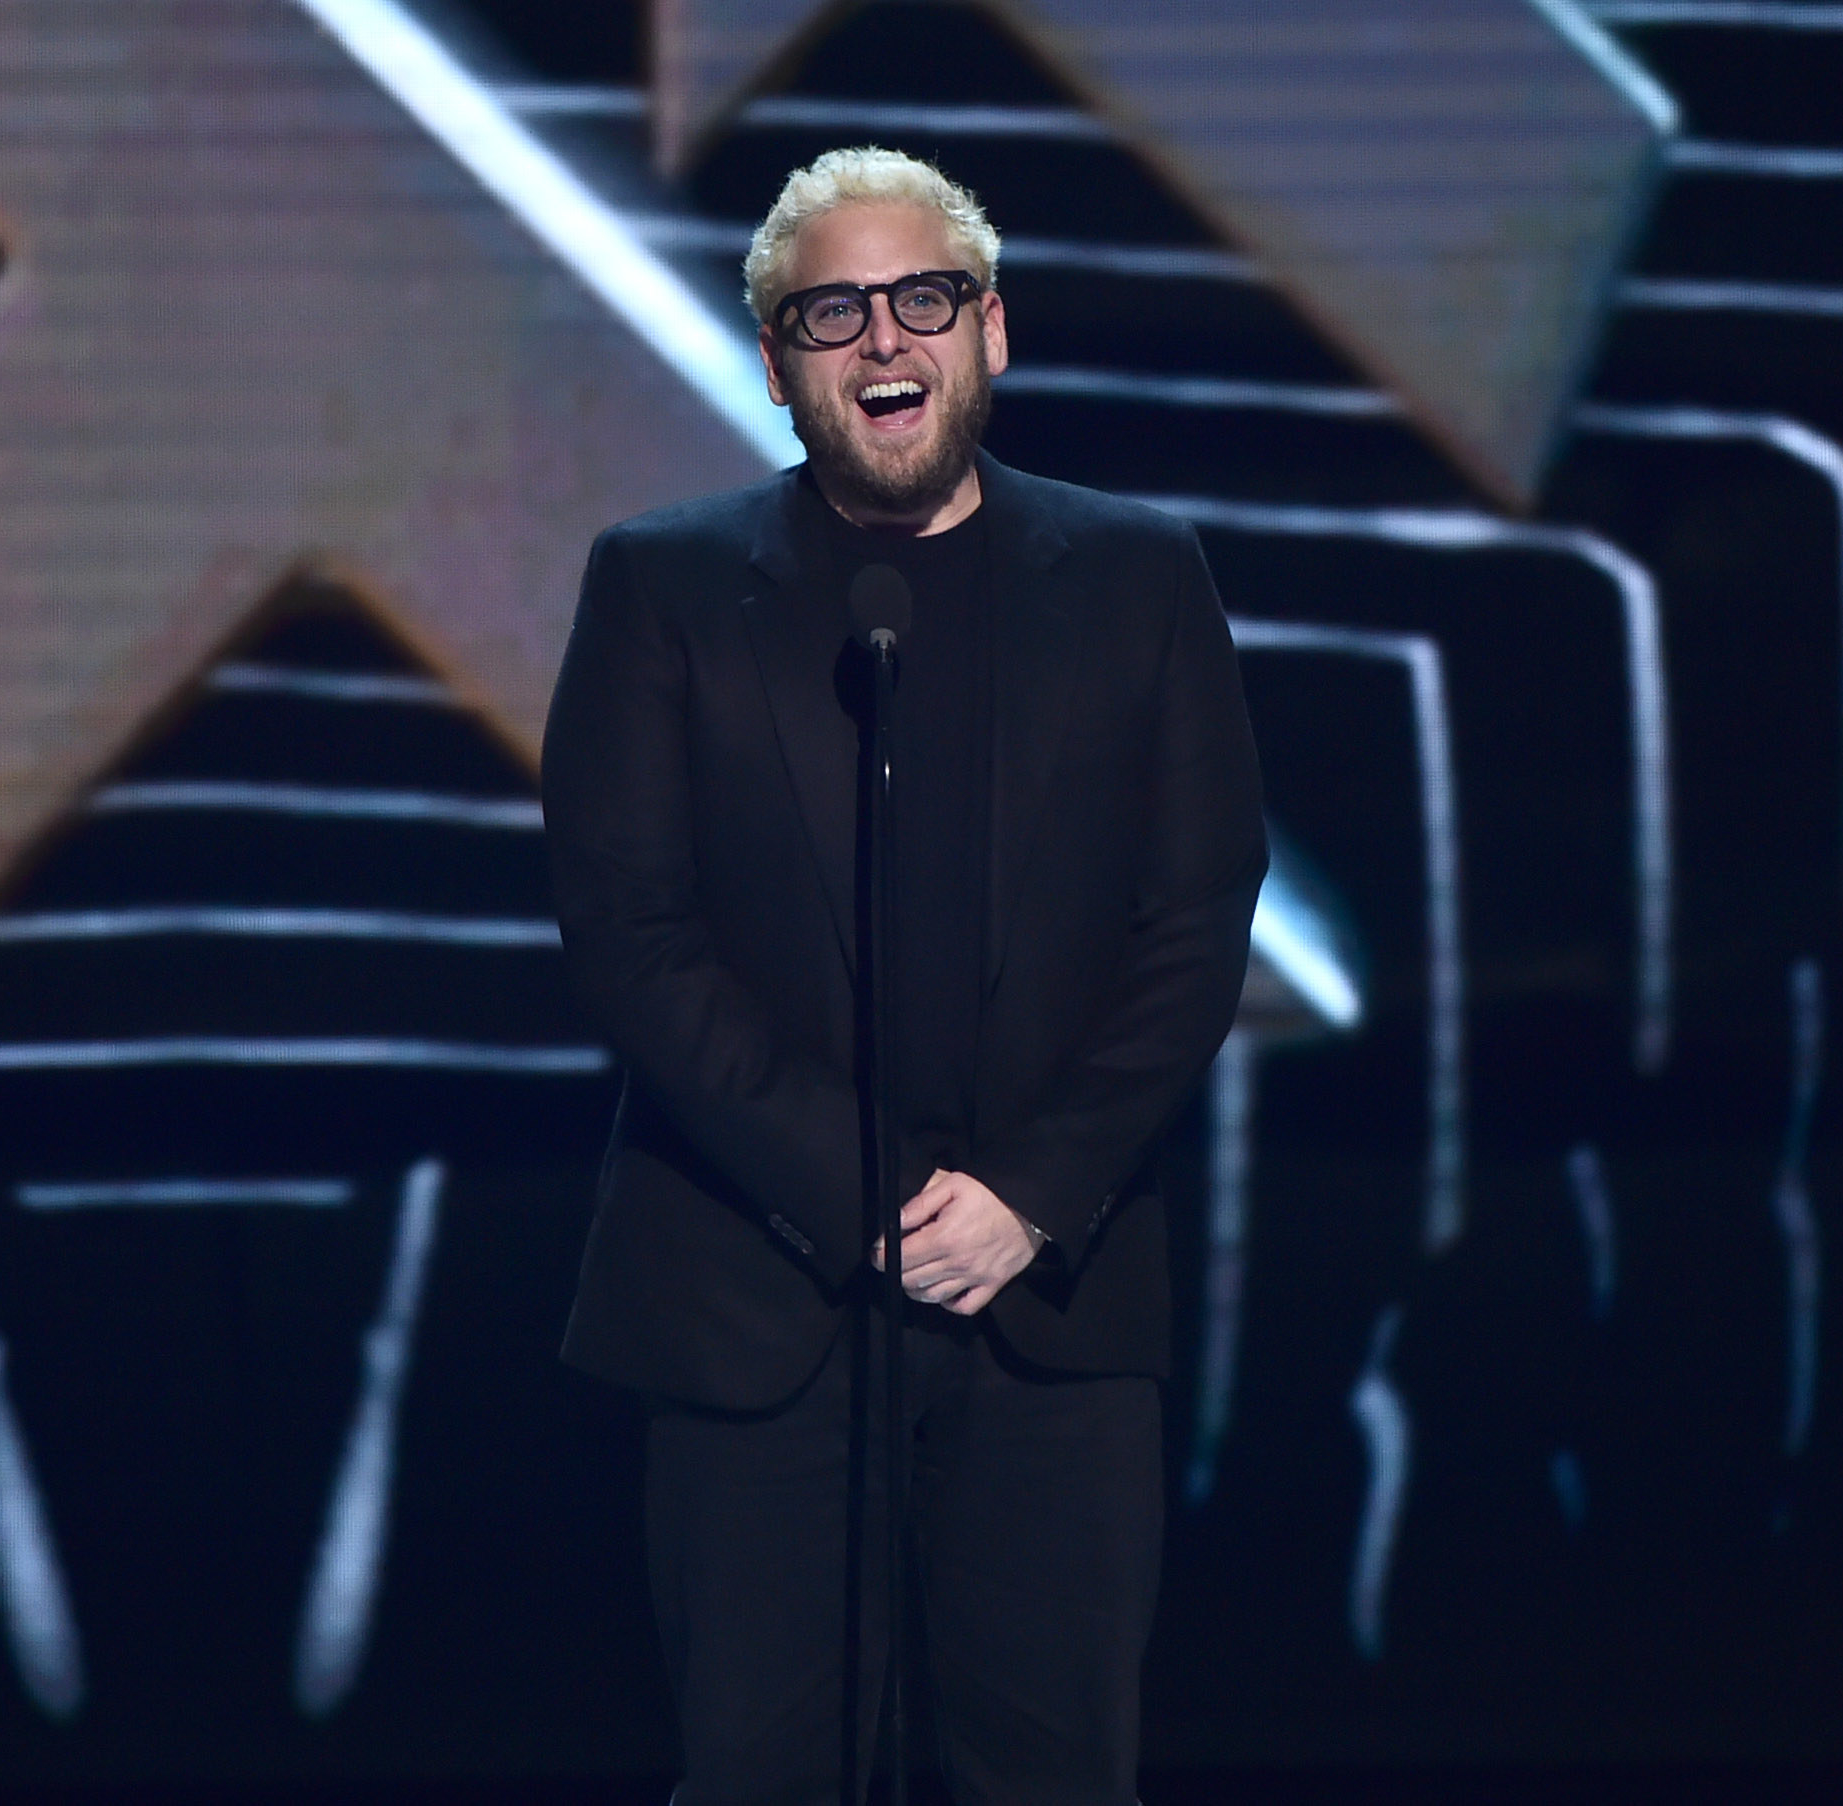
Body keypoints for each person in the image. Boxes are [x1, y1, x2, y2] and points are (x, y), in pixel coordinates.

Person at [541, 146, 1266, 1805]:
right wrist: (854, 1184)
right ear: (783, 361)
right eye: (833, 311)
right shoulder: (662, 586)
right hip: (756, 1308)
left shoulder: (1142, 578)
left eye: (925, 298)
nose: (886, 340)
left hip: (1048, 1313)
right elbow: (633, 932)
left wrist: (1029, 1188)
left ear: (990, 331)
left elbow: (1197, 912)